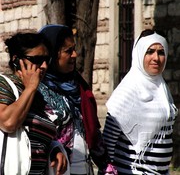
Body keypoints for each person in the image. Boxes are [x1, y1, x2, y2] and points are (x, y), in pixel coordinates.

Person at [38, 24, 116, 175]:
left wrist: (106, 166)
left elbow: (92, 130)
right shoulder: (38, 90)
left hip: (84, 168)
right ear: (52, 54)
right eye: (68, 51)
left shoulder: (78, 85)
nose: (74, 55)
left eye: (74, 49)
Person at [102, 29, 178, 174]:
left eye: (161, 52)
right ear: (139, 54)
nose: (156, 58)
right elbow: (108, 140)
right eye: (150, 52)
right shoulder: (128, 90)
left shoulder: (162, 90)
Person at [0, 32, 67, 174]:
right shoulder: (4, 84)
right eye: (36, 59)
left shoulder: (38, 96)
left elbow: (37, 138)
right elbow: (8, 123)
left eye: (46, 60)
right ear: (17, 60)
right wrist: (30, 88)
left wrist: (54, 148)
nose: (43, 66)